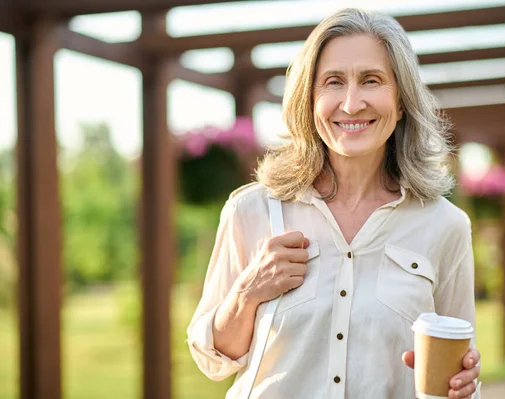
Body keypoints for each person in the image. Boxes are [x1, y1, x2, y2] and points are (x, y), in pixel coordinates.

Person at [187, 7, 481, 399]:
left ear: (401, 99)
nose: (351, 103)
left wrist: (463, 385)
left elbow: (457, 372)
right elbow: (213, 360)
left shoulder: (445, 226)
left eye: (371, 80)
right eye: (333, 82)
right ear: (309, 99)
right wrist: (247, 294)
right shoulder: (252, 211)